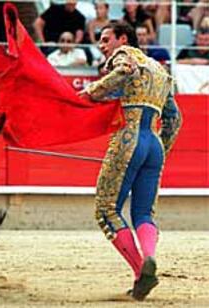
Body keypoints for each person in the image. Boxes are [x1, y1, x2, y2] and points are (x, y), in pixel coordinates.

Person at [78, 20, 182, 301]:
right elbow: (174, 118)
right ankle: (148, 257)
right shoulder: (161, 70)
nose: (102, 46)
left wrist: (89, 92)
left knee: (106, 210)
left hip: (130, 139)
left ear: (122, 39)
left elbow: (123, 71)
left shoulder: (124, 56)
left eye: (105, 39)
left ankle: (141, 271)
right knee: (143, 214)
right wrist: (161, 150)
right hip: (153, 144)